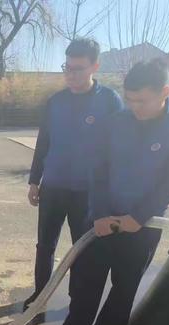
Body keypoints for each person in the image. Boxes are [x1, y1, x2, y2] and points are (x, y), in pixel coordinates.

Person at [37, 59, 169, 325]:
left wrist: (139, 216)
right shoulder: (116, 123)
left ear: (165, 92)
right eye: (130, 99)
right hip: (99, 223)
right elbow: (97, 172)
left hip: (142, 227)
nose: (134, 107)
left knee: (124, 288)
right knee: (85, 283)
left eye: (141, 100)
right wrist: (98, 214)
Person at [24, 38, 123, 311]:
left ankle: (77, 300)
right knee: (45, 245)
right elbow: (44, 142)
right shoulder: (55, 102)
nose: (70, 74)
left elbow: (118, 149)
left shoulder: (110, 102)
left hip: (88, 193)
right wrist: (35, 180)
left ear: (95, 66)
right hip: (53, 188)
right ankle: (39, 297)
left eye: (77, 68)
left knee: (82, 249)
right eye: (66, 67)